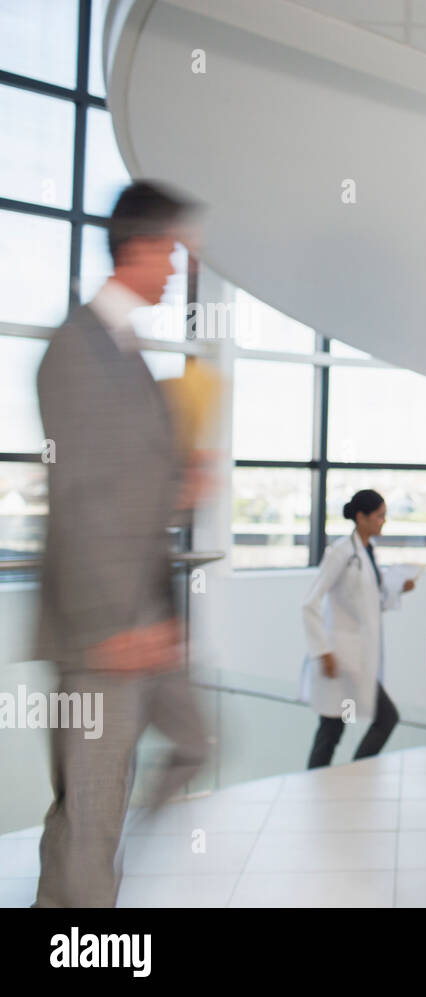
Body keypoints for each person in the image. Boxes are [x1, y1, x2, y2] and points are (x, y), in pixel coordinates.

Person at [33, 180, 210, 907]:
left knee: (191, 747)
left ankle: (68, 888)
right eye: (169, 252)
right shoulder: (75, 350)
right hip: (104, 631)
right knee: (92, 817)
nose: (175, 268)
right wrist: (111, 629)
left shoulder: (126, 350)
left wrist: (179, 476)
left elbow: (125, 483)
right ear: (137, 247)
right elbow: (78, 499)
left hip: (148, 616)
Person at [301, 489, 416, 768]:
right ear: (361, 517)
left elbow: (369, 604)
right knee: (366, 721)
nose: (383, 521)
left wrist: (398, 588)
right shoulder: (341, 552)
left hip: (358, 657)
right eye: (379, 516)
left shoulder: (366, 551)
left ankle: (335, 777)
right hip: (339, 656)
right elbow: (309, 604)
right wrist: (323, 651)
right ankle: (342, 776)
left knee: (333, 729)